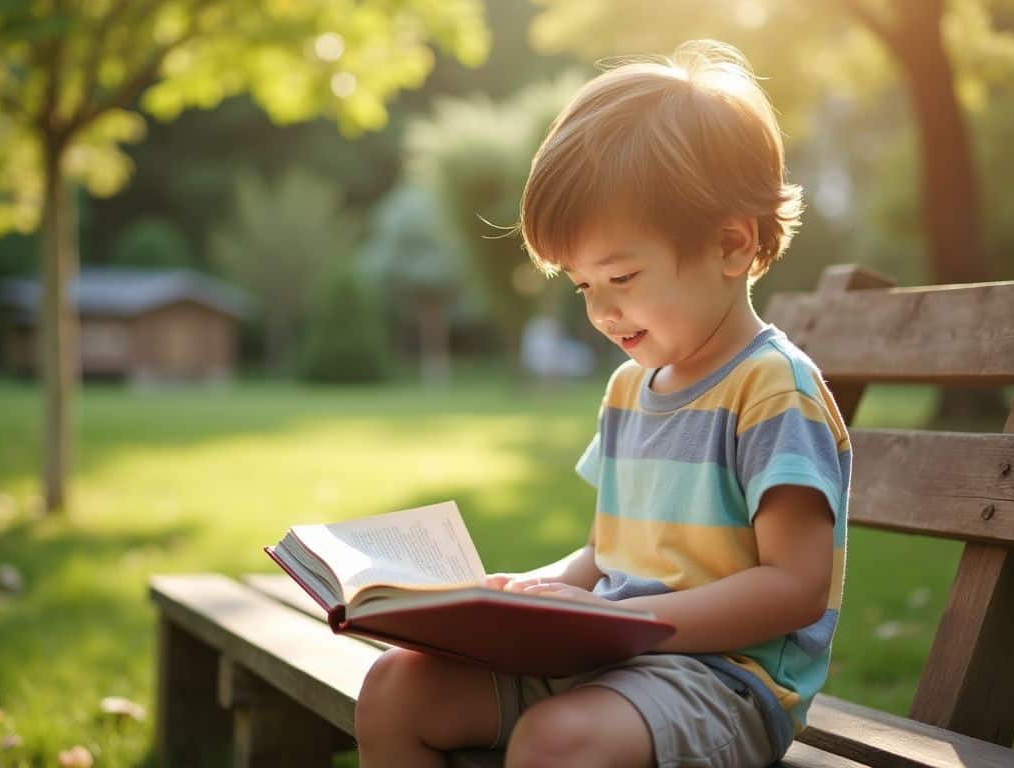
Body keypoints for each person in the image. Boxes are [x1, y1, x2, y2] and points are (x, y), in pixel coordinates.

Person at [355, 39, 849, 768]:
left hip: (721, 682)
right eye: (583, 286)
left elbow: (796, 587)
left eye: (621, 276)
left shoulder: (774, 390)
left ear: (732, 244)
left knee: (556, 741)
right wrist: (535, 592)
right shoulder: (628, 390)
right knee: (396, 689)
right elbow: (608, 552)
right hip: (614, 656)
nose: (601, 312)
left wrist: (629, 619)